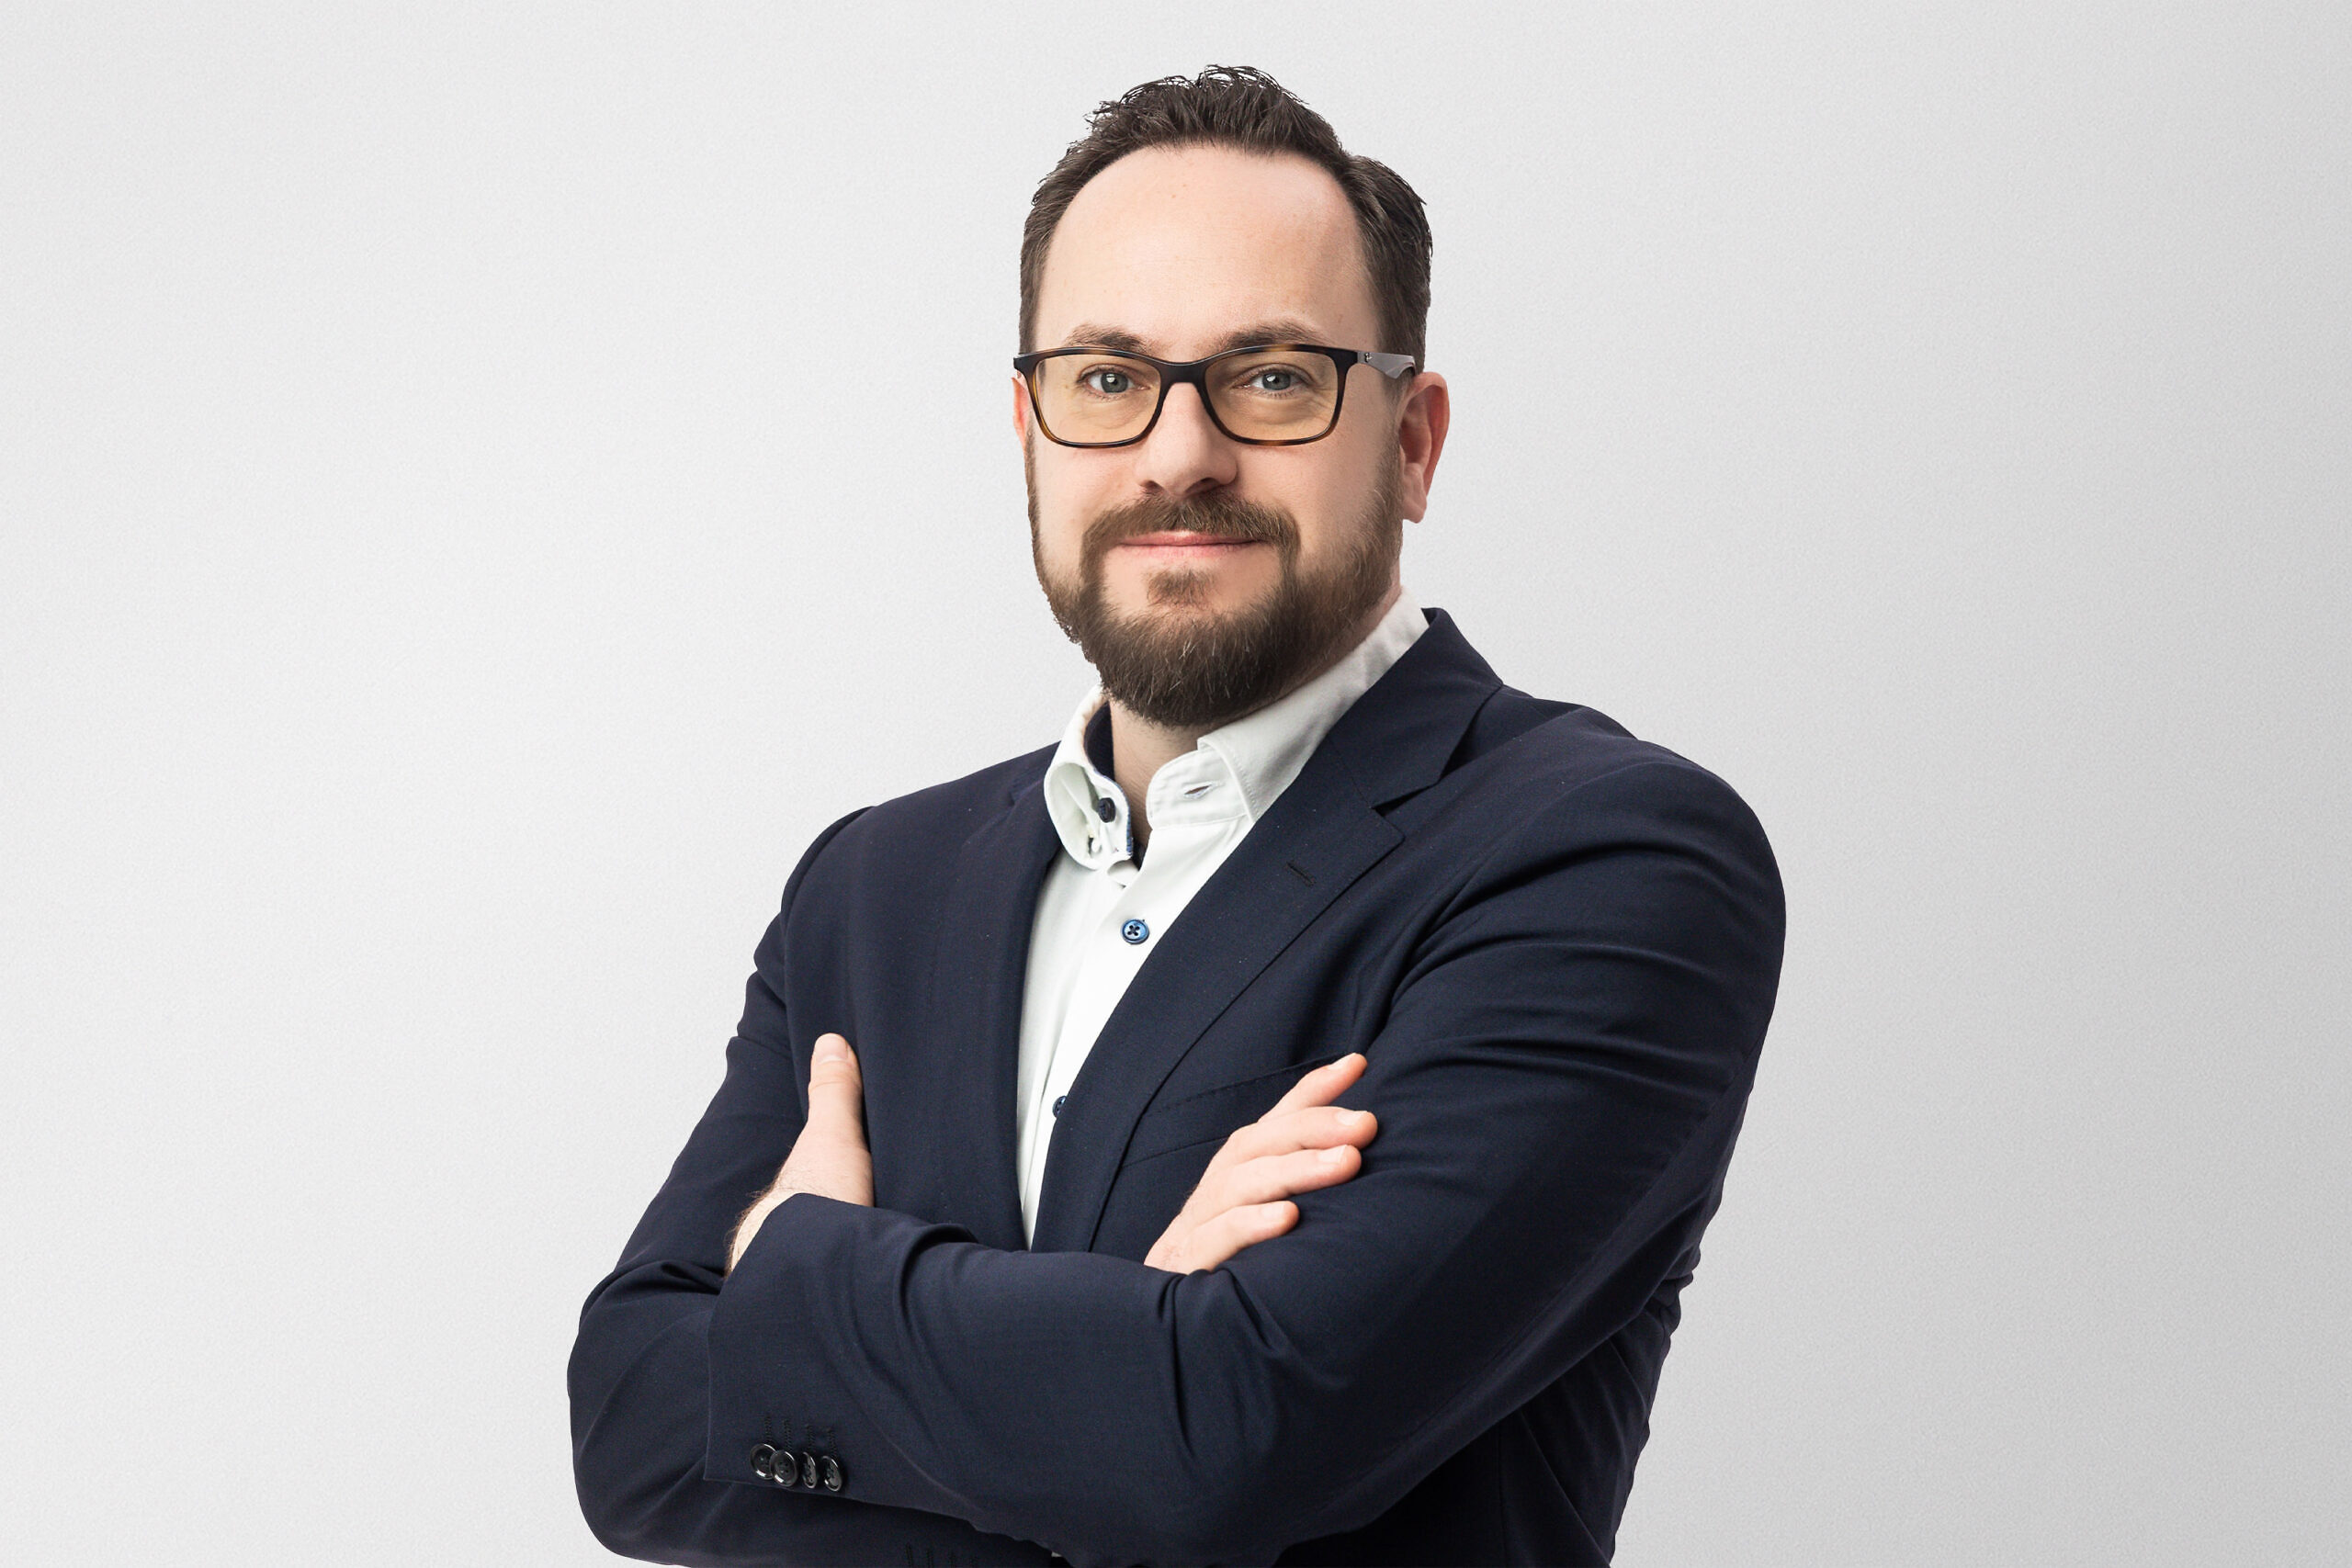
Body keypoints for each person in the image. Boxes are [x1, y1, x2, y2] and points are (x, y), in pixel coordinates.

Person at [569, 66, 1782, 1567]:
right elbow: (632, 1427)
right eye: (1107, 379)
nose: (1177, 453)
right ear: (1029, 428)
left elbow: (1232, 1440)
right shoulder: (875, 887)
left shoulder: (1606, 860)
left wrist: (801, 1273)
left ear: (1412, 442)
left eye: (1272, 377)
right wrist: (1129, 1352)